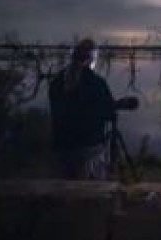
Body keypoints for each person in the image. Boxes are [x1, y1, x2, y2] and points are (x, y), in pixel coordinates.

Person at [48, 39, 116, 180]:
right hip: (89, 148)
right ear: (92, 59)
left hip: (61, 147)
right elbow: (109, 113)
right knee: (92, 193)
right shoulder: (96, 83)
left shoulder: (57, 81)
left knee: (64, 191)